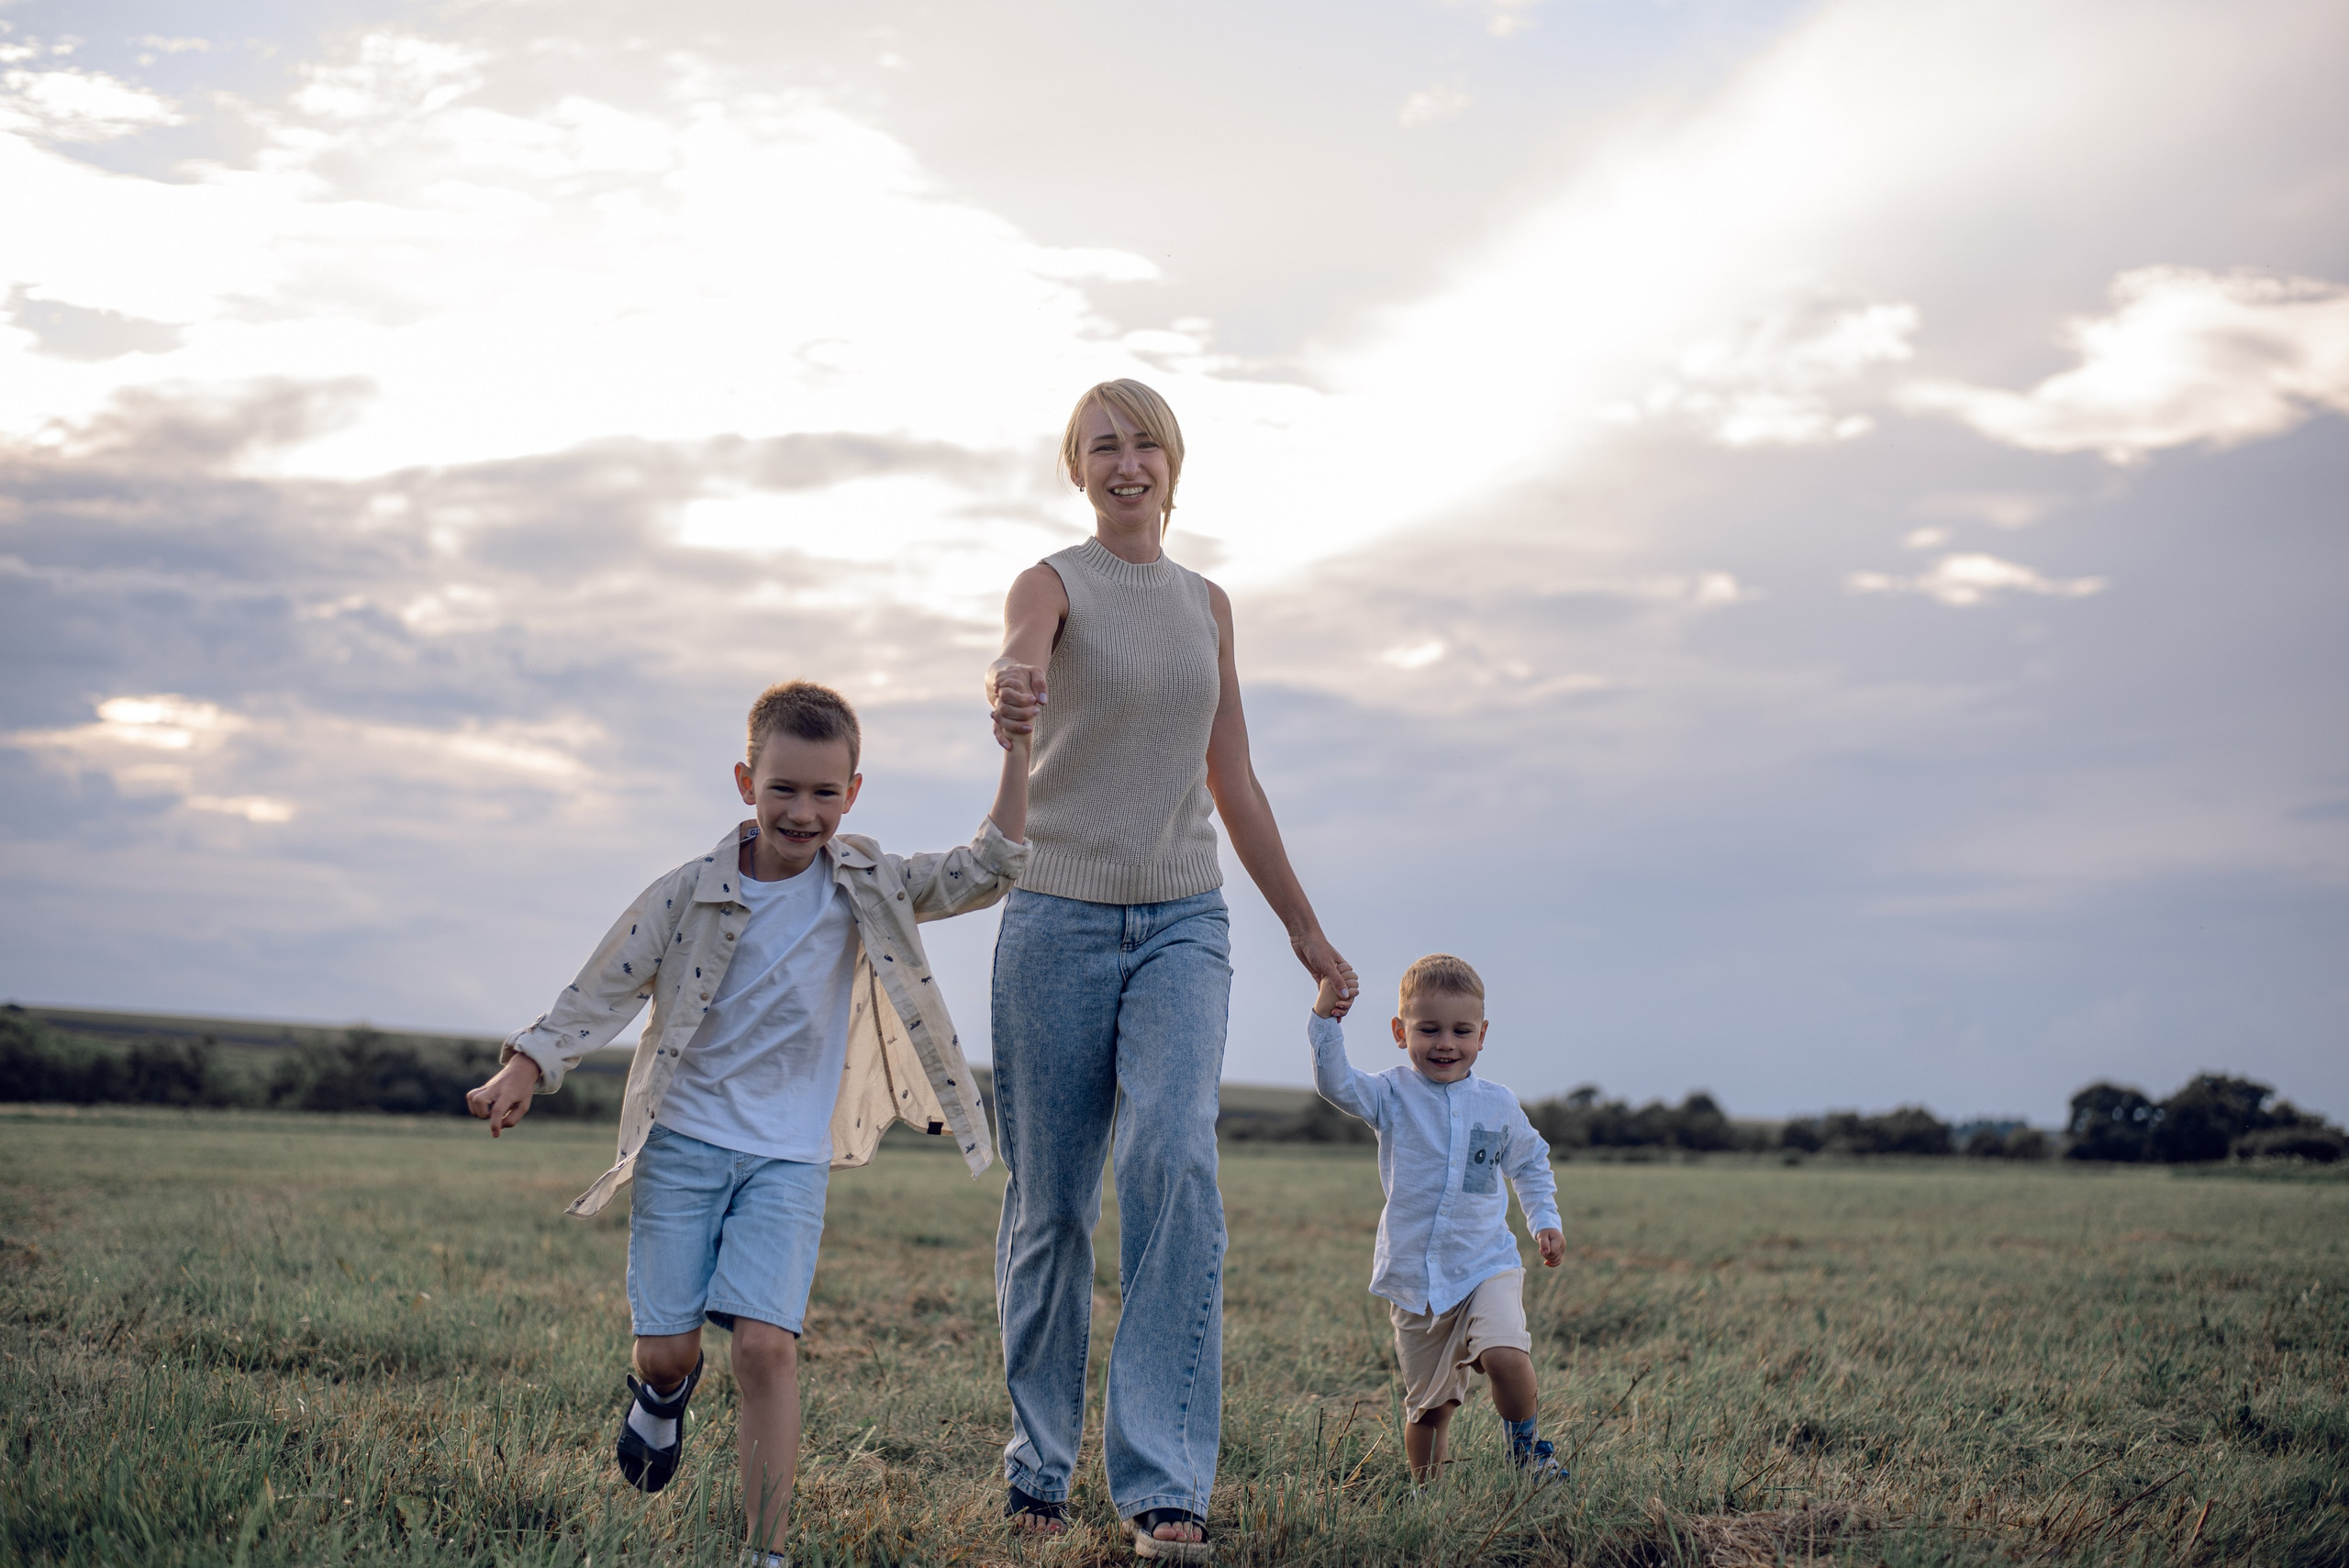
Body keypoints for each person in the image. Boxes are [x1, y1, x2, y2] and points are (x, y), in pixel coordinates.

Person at [464, 681, 1028, 1567]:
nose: (803, 812)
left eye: (824, 792)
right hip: (684, 1143)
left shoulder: (868, 881)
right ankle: (660, 1394)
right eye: (783, 789)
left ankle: (765, 1554)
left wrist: (1018, 746)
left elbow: (985, 869)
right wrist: (527, 1063)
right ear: (745, 781)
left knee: (766, 1349)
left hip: (788, 1159)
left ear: (853, 792)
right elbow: (601, 986)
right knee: (665, 1350)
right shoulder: (688, 893)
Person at [984, 379, 1355, 1562]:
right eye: (1103, 446)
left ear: (1174, 460)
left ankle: (1163, 1485)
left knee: (1175, 1160)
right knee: (1049, 1204)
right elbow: (1017, 656)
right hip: (1055, 917)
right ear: (1076, 468)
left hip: (1186, 918)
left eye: (1144, 441)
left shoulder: (1208, 604)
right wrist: (1010, 689)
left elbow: (1233, 783)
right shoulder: (1051, 582)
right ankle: (1039, 1466)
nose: (1126, 461)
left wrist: (1301, 925)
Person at [1305, 953, 1569, 1485]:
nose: (1446, 1042)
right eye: (1429, 1029)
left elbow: (1530, 1161)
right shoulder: (1390, 1094)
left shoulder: (1497, 1105)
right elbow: (1334, 1083)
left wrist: (1544, 1218)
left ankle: (1526, 1455)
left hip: (1485, 1265)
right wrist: (1325, 1017)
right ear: (1401, 1032)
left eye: (1461, 1030)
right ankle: (1433, 1497)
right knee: (1429, 1412)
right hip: (1415, 1284)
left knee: (1506, 1354)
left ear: (1482, 1034)